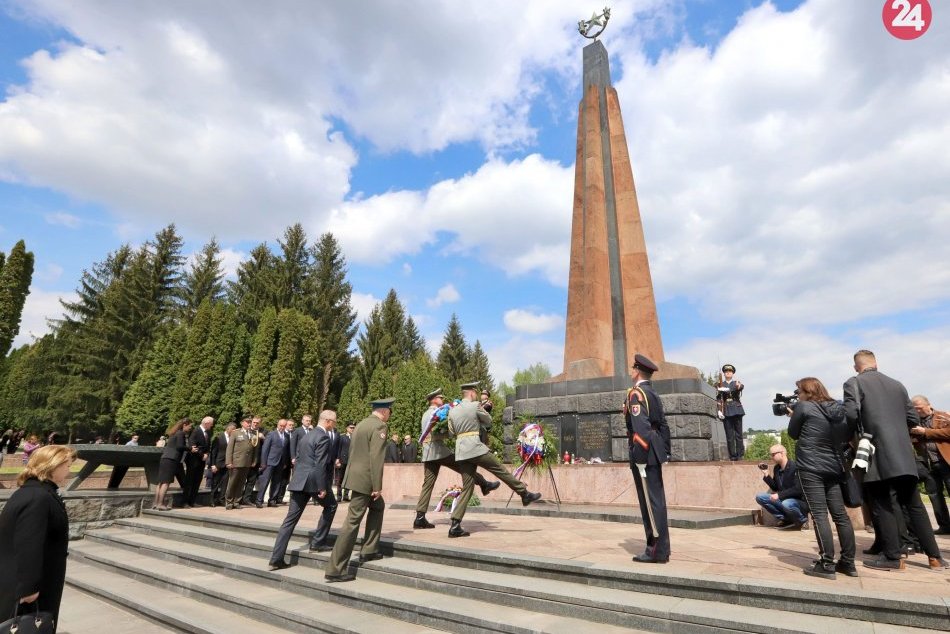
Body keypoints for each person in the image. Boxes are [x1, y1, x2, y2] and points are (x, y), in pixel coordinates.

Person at [844, 349, 947, 570]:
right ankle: (935, 557)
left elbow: (851, 415)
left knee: (882, 504)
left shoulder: (854, 383)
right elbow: (912, 418)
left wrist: (849, 437)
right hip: (903, 454)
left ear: (856, 366)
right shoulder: (897, 385)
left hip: (876, 451)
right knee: (915, 505)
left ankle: (894, 557)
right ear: (876, 363)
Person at [0, 445, 76, 633]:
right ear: (53, 465)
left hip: (29, 580)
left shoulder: (34, 492)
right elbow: (28, 543)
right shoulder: (38, 497)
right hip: (31, 587)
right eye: (67, 465)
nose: (69, 470)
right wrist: (29, 588)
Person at [449, 382, 540, 538]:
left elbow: (451, 433)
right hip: (475, 447)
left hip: (461, 451)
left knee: (468, 487)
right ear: (471, 393)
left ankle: (455, 524)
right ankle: (524, 494)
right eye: (475, 393)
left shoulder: (452, 411)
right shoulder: (475, 405)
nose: (476, 395)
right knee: (500, 469)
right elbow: (488, 421)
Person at [787, 377, 856, 579]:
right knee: (840, 516)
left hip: (811, 467)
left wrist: (794, 415)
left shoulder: (804, 407)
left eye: (799, 391)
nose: (797, 395)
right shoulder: (838, 409)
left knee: (819, 515)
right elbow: (843, 436)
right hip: (833, 466)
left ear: (808, 392)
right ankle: (849, 563)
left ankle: (826, 564)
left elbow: (793, 434)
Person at [325, 398, 394, 583]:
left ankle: (369, 549)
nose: (389, 416)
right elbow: (376, 457)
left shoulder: (362, 424)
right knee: (352, 522)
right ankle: (336, 568)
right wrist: (377, 486)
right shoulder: (379, 427)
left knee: (378, 506)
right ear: (385, 411)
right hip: (365, 480)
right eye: (389, 412)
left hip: (354, 476)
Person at [414, 387, 499, 530]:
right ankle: (484, 484)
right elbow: (437, 434)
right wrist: (452, 433)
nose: (443, 400)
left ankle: (419, 518)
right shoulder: (435, 414)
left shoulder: (425, 414)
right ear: (434, 399)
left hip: (428, 453)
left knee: (427, 485)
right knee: (464, 467)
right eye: (440, 398)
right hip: (439, 451)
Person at [269, 410, 340, 570]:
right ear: (328, 421)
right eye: (334, 422)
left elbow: (301, 458)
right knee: (331, 506)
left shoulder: (306, 434)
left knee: (289, 521)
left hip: (299, 481)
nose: (335, 424)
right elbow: (320, 464)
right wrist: (322, 487)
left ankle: (276, 558)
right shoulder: (323, 437)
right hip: (313, 482)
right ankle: (318, 542)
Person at [624, 354, 672, 563]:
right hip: (655, 449)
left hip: (644, 452)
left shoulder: (636, 394)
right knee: (657, 501)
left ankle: (655, 550)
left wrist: (640, 457)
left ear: (636, 371)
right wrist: (666, 451)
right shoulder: (652, 393)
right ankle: (662, 549)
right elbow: (663, 425)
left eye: (632, 369)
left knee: (650, 503)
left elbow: (641, 429)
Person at [909, 395, 950, 535]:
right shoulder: (915, 422)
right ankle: (944, 526)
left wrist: (926, 432)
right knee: (934, 496)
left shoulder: (943, 416)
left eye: (919, 408)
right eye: (915, 409)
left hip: (946, 462)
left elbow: (948, 433)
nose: (918, 411)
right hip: (928, 464)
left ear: (928, 405)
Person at [755, 444, 808, 530]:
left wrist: (779, 495)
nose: (771, 457)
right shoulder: (777, 468)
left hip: (798, 502)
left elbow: (798, 489)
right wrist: (766, 474)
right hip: (784, 500)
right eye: (771, 455)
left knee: (786, 503)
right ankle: (786, 519)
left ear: (782, 453)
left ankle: (801, 520)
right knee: (760, 497)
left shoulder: (795, 467)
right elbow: (776, 487)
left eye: (773, 454)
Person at [153, 418, 192, 510]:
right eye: (190, 426)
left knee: (160, 482)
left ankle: (155, 503)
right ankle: (161, 504)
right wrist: (190, 448)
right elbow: (179, 446)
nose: (190, 428)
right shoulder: (181, 433)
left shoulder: (174, 433)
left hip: (165, 458)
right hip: (172, 459)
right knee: (166, 482)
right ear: (184, 425)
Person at [255, 418, 291, 508]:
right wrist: (263, 462)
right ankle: (259, 500)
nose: (282, 427)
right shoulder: (271, 434)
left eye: (283, 426)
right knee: (265, 482)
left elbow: (286, 450)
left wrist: (285, 462)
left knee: (277, 482)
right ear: (277, 425)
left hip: (280, 463)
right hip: (269, 462)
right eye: (280, 425)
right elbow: (265, 449)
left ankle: (272, 500)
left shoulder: (286, 436)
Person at [225, 418, 255, 509]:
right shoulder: (235, 433)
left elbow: (253, 450)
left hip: (247, 463)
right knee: (232, 482)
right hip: (236, 462)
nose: (249, 424)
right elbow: (229, 448)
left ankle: (236, 501)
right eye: (247, 422)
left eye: (250, 422)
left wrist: (254, 461)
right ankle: (229, 502)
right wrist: (229, 462)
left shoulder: (253, 434)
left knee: (241, 483)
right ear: (242, 423)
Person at [717, 364, 745, 461]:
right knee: (729, 436)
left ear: (732, 373)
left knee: (738, 434)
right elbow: (718, 399)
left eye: (730, 371)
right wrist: (719, 410)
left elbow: (740, 387)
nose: (728, 372)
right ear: (724, 374)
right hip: (727, 411)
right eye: (726, 371)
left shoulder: (736, 383)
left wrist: (731, 388)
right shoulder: (720, 384)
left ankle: (740, 455)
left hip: (737, 410)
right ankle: (732, 455)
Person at [183, 416, 213, 508]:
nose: (212, 426)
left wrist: (207, 454)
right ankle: (185, 502)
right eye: (211, 424)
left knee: (197, 481)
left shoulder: (208, 432)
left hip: (202, 460)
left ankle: (192, 501)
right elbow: (193, 445)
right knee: (190, 481)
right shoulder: (196, 431)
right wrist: (201, 455)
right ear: (206, 423)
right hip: (193, 459)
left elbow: (207, 446)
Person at [209, 422, 234, 507]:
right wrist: (213, 464)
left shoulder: (233, 438)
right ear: (228, 429)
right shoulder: (218, 438)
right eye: (233, 430)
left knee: (225, 483)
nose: (234, 431)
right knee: (215, 483)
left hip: (227, 465)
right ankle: (212, 500)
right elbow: (213, 452)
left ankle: (221, 499)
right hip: (218, 464)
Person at [241, 417, 265, 505]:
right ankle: (238, 498)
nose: (255, 424)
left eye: (257, 423)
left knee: (251, 481)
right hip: (245, 460)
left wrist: (263, 438)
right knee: (241, 480)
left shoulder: (263, 432)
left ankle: (246, 499)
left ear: (260, 424)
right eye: (254, 422)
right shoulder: (246, 431)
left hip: (256, 461)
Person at [336, 424, 354, 502]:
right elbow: (338, 449)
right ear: (347, 428)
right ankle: (339, 496)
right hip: (342, 461)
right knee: (340, 479)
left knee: (349, 479)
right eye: (351, 427)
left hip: (351, 461)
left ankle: (346, 496)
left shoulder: (355, 437)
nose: (352, 429)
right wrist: (337, 459)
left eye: (354, 428)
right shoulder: (342, 437)